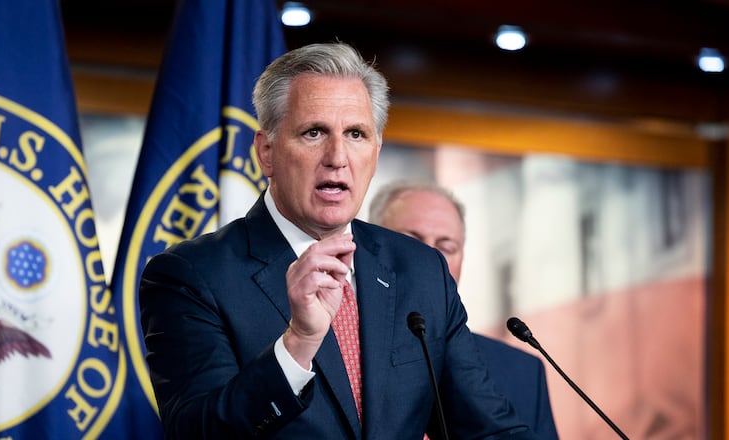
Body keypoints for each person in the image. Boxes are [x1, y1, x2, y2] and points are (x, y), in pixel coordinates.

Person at [139, 42, 538, 439]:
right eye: (314, 132)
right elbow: (198, 433)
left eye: (356, 134)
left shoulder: (420, 270)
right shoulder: (192, 276)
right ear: (267, 152)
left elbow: (487, 429)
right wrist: (298, 343)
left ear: (376, 152)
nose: (337, 156)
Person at [368, 179, 559, 440]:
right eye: (411, 242)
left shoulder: (523, 372)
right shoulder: (333, 348)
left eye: (447, 247)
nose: (430, 260)